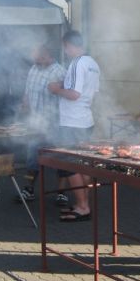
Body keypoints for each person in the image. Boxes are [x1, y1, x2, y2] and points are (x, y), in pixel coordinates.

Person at [48, 30, 101, 222]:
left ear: (69, 45)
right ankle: (83, 203)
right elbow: (90, 93)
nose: (65, 51)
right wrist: (65, 85)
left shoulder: (77, 63)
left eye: (65, 47)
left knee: (70, 166)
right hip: (85, 120)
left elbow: (74, 94)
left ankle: (83, 207)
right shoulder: (93, 63)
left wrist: (56, 89)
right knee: (82, 165)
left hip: (72, 122)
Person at [18, 45, 67, 204]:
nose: (36, 60)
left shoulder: (59, 71)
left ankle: (61, 192)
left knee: (60, 158)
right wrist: (25, 106)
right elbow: (27, 92)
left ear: (48, 56)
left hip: (54, 123)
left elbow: (64, 96)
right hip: (35, 123)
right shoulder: (33, 69)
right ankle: (29, 189)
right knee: (32, 159)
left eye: (39, 58)